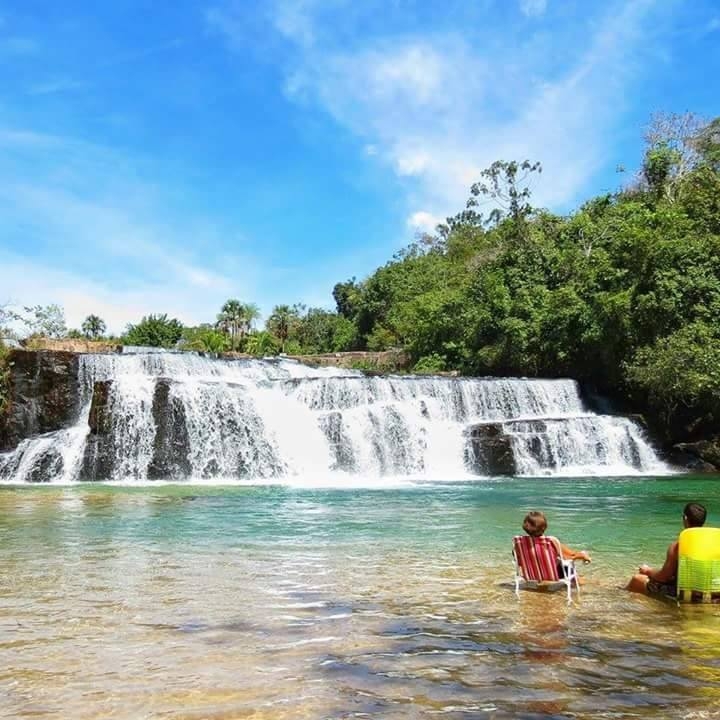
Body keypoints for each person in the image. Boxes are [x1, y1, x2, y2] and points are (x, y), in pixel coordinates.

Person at [626, 501, 707, 598]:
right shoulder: (714, 545)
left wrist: (647, 570)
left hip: (682, 595)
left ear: (685, 518)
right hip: (709, 594)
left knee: (637, 580)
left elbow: (663, 577)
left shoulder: (678, 546)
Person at [522, 510, 592, 569]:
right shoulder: (550, 541)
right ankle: (583, 555)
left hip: (532, 574)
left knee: (565, 554)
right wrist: (582, 556)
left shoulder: (519, 543)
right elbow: (567, 558)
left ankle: (580, 554)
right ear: (545, 526)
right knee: (566, 559)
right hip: (554, 574)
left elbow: (519, 562)